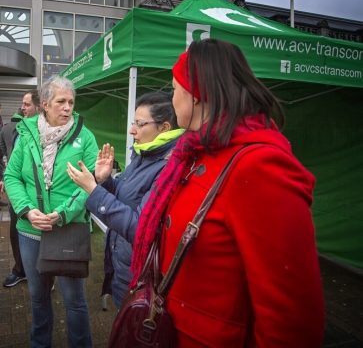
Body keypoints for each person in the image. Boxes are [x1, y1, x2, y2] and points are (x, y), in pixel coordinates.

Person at [130, 39, 325, 346]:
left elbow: (290, 320)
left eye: (174, 88)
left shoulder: (260, 167)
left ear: (196, 94)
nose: (172, 97)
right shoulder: (195, 153)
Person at [66, 92, 184, 309]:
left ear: (165, 128)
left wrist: (93, 190)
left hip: (141, 276)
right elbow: (128, 198)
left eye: (139, 124)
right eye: (133, 123)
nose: (132, 130)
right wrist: (104, 181)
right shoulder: (145, 153)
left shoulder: (169, 166)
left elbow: (140, 228)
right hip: (125, 267)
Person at [4, 76, 97, 347]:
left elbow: (88, 183)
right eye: (61, 102)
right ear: (44, 104)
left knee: (74, 300)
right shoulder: (26, 132)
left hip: (68, 229)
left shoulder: (85, 136)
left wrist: (63, 214)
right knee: (38, 297)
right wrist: (27, 210)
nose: (67, 108)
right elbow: (12, 177)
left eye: (71, 102)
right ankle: (40, 343)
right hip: (30, 231)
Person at [0, 90, 41, 288]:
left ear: (40, 107)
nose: (22, 108)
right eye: (22, 104)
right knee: (16, 231)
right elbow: (14, 162)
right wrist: (5, 179)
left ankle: (43, 273)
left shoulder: (46, 132)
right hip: (17, 193)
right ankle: (20, 269)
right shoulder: (19, 129)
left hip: (38, 196)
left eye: (26, 104)